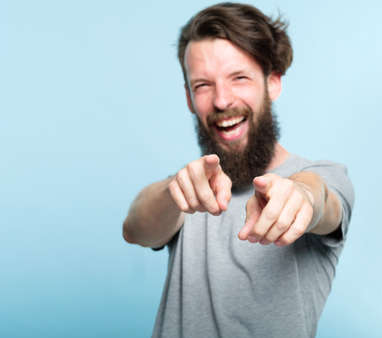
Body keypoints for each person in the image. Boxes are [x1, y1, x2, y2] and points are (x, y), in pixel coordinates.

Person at [123, 3, 354, 337]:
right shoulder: (191, 187)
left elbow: (321, 199)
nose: (221, 100)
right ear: (189, 99)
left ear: (272, 82)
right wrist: (176, 191)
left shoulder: (327, 175)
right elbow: (136, 229)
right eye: (202, 85)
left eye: (239, 78)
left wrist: (301, 196)